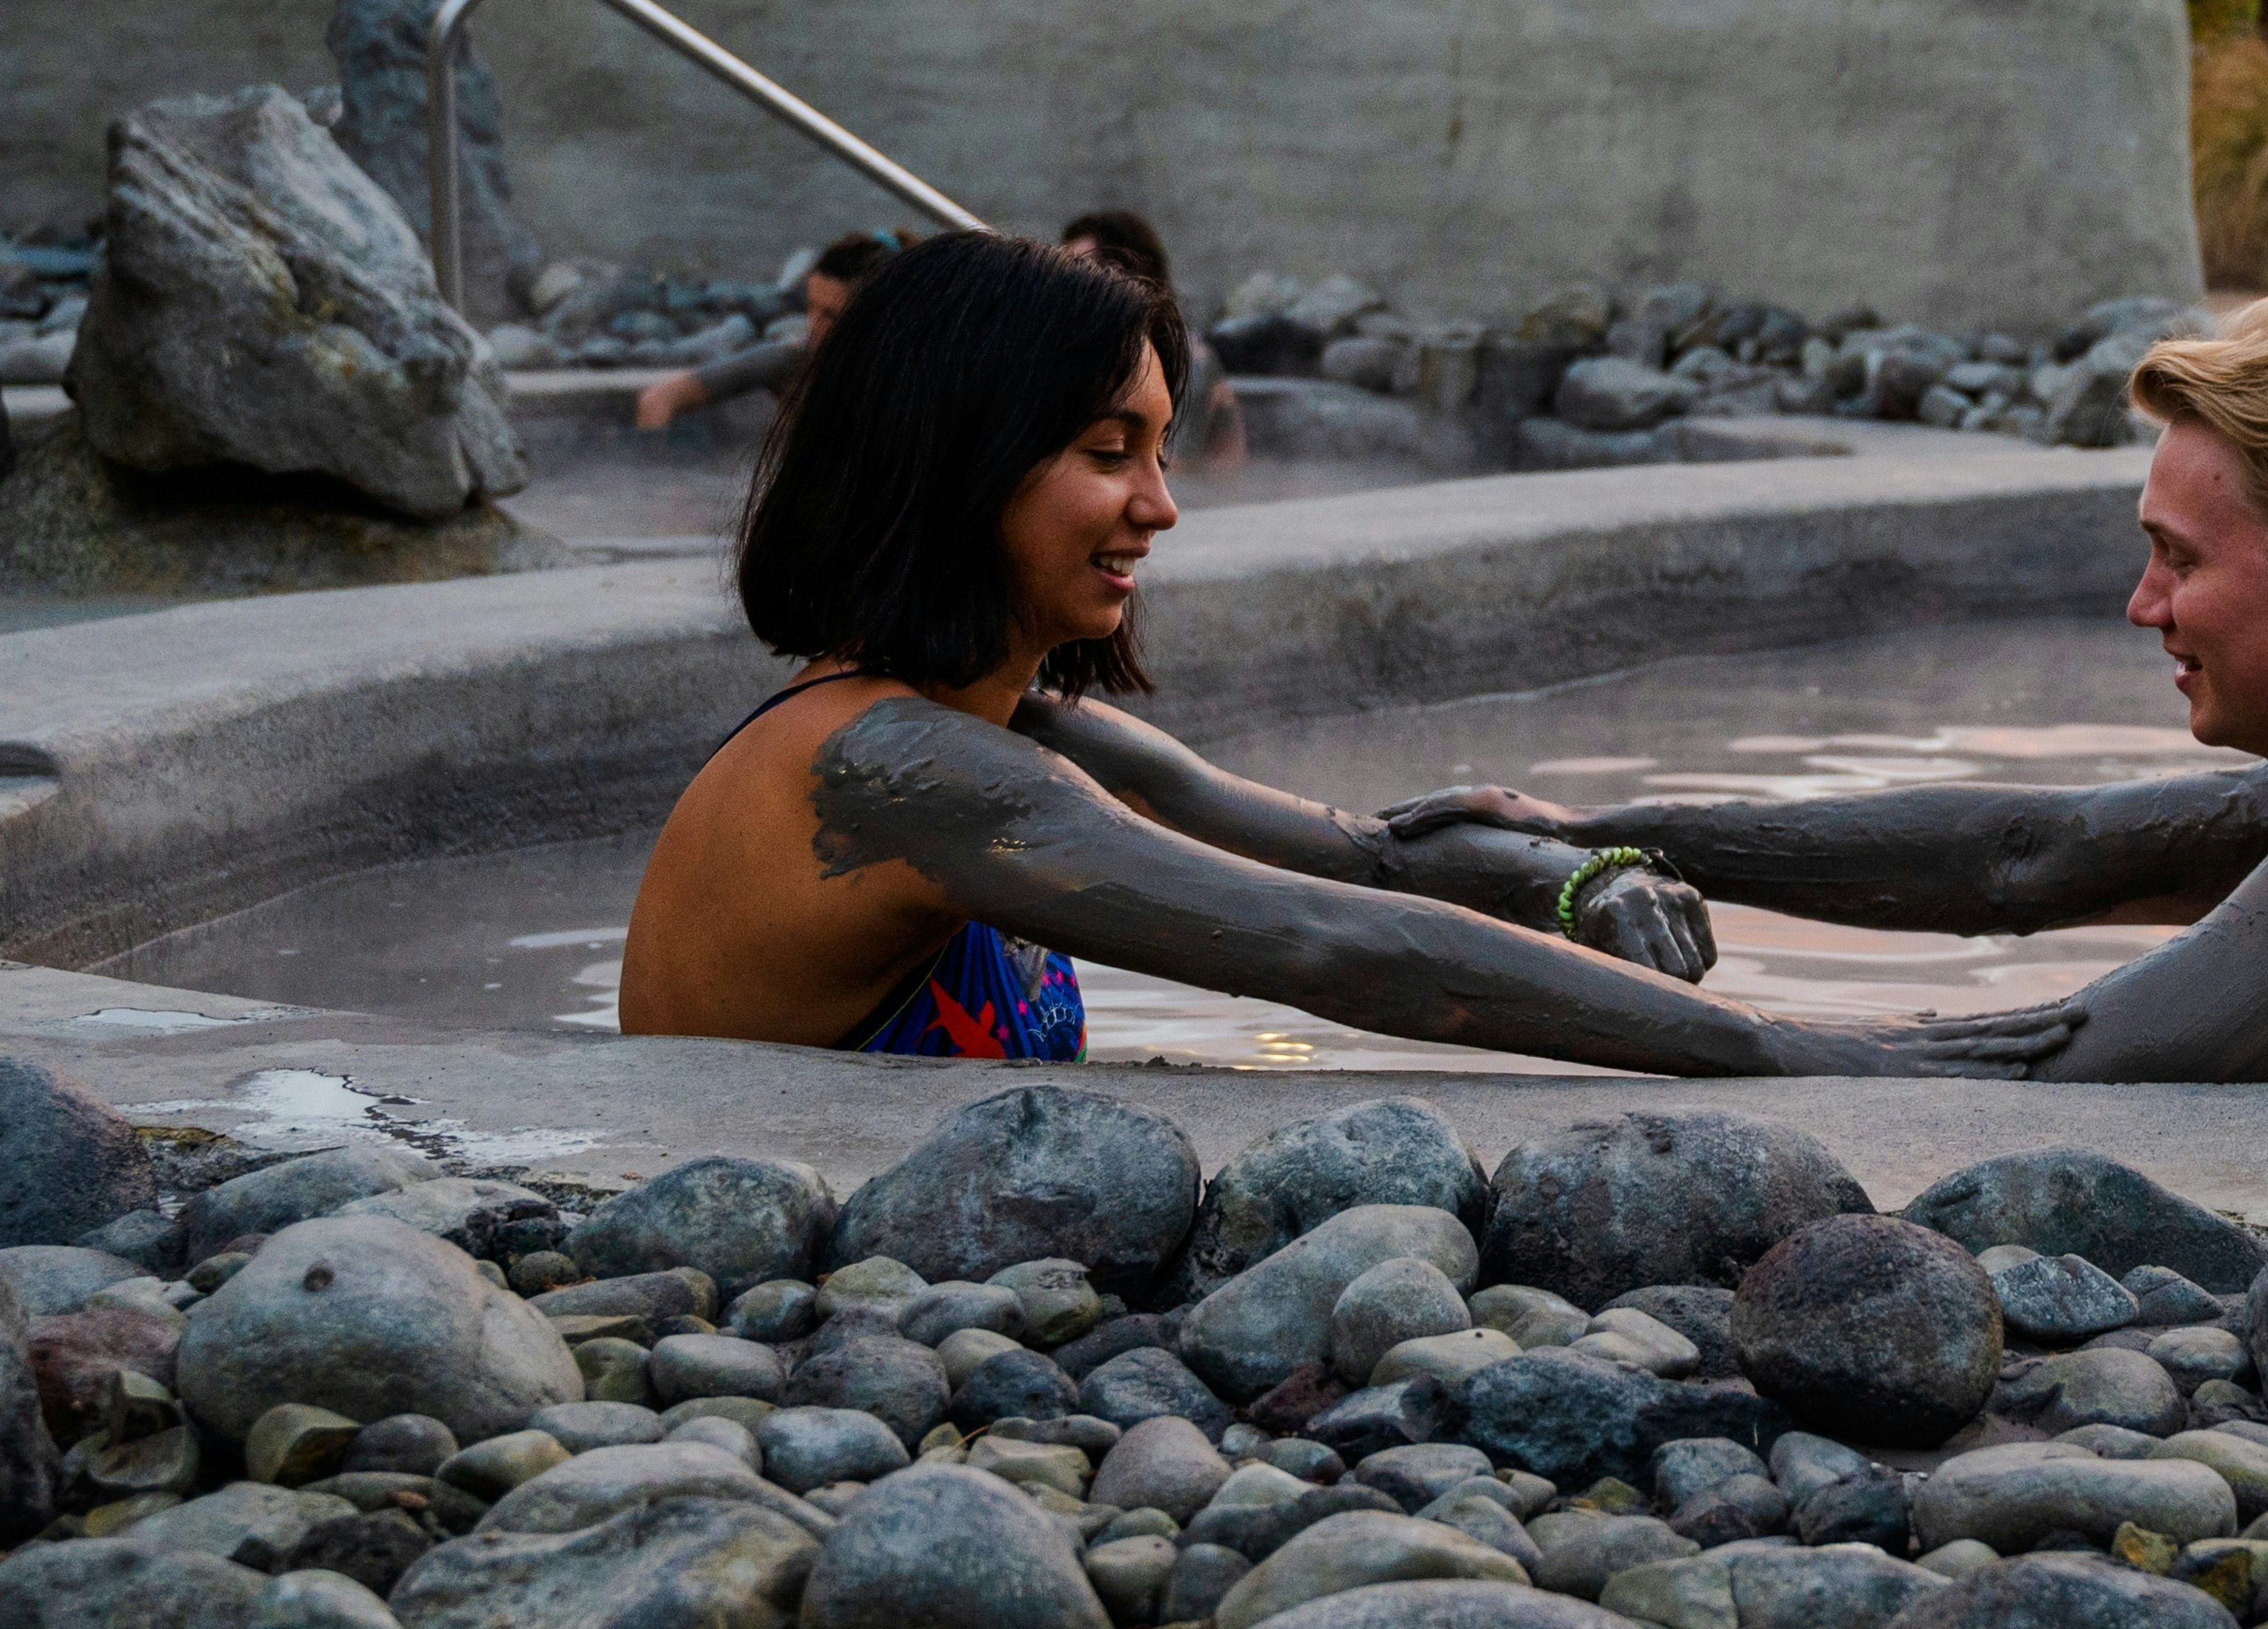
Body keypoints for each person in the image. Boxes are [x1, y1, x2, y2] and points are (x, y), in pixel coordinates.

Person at [614, 229, 2082, 1072]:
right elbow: (1340, 951)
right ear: (959, 464)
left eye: (1162, 448)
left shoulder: (1013, 730)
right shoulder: (890, 767)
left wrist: (1579, 874)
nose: (1160, 505)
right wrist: (1835, 1056)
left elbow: (1363, 860)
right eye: (1107, 450)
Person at [1385, 292, 2268, 1082]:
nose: (2141, 605)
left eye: (2176, 559)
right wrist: (1581, 839)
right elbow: (2025, 856)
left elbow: (2019, 1075)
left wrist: (1484, 972)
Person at [635, 232, 892, 432]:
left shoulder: (910, 372)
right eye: (811, 307)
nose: (814, 325)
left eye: (832, 316)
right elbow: (658, 400)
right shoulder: (795, 360)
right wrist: (656, 481)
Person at [1058, 209, 1246, 473]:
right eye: (1065, 273)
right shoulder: (1082, 356)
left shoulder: (1185, 359)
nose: (1065, 289)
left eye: (1081, 272)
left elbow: (1170, 470)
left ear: (1129, 278)